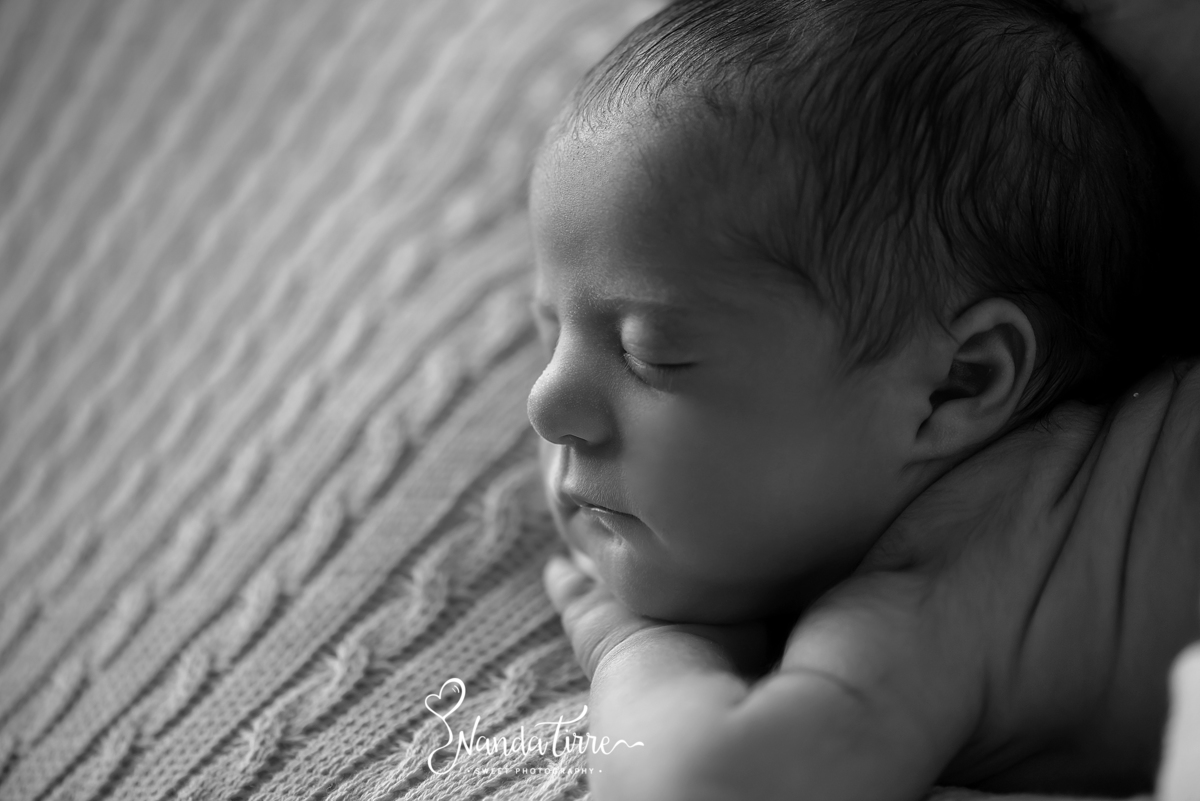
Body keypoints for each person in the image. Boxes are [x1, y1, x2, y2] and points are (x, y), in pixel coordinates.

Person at [527, 0, 1200, 798]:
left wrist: (630, 648)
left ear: (956, 385)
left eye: (650, 355)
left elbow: (707, 786)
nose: (546, 404)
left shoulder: (929, 592)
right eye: (546, 331)